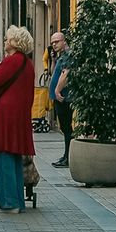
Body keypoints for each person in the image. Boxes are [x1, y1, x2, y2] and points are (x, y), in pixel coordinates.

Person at [0, 27, 36, 213]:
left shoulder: (12, 61)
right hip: (20, 114)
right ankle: (17, 201)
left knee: (4, 155)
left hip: (6, 114)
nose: (5, 41)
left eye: (7, 39)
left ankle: (8, 202)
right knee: (15, 156)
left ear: (15, 42)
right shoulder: (26, 63)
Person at [47, 31, 72, 167]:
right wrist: (53, 59)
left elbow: (66, 74)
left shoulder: (68, 55)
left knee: (66, 128)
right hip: (60, 98)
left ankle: (68, 157)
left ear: (64, 41)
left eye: (56, 42)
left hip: (64, 98)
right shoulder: (60, 56)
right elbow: (53, 72)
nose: (54, 44)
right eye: (52, 43)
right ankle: (66, 155)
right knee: (64, 128)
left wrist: (57, 90)